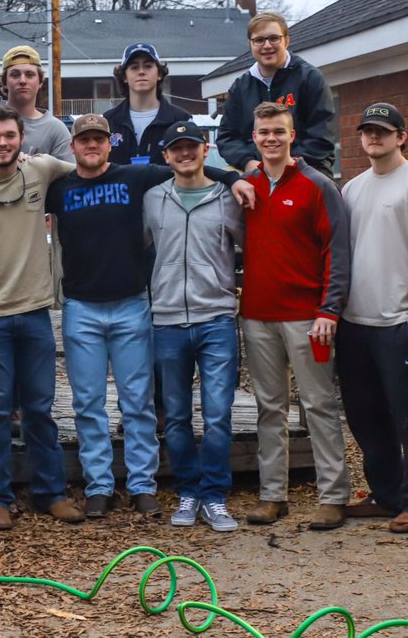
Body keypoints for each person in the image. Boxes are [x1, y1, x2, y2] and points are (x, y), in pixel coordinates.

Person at [46, 115, 250, 520]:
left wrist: (232, 178)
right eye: (84, 140)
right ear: (73, 147)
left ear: (110, 144)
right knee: (88, 403)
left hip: (131, 304)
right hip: (81, 307)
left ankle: (142, 484)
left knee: (138, 402)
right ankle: (99, 485)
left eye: (99, 139)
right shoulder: (59, 188)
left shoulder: (136, 178)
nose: (92, 145)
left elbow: (188, 165)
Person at [0, 104, 83, 530]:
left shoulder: (41, 170)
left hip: (35, 313)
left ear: (22, 139)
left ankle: (51, 493)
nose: (3, 143)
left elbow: (88, 167)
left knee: (40, 408)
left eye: (10, 135)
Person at [240, 101, 351, 530]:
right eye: (264, 132)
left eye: (278, 132)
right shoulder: (247, 187)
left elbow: (337, 252)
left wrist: (329, 309)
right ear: (254, 137)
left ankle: (333, 496)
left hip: (308, 319)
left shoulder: (317, 185)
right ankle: (273, 495)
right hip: (257, 316)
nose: (271, 138)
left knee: (318, 404)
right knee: (269, 408)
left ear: (292, 135)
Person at [338, 104, 408, 534]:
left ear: (401, 136)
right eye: (367, 130)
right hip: (354, 323)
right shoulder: (352, 189)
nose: (374, 137)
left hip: (399, 324)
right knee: (365, 415)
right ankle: (386, 494)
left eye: (383, 131)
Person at [144, 122, 245, 532]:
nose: (184, 154)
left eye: (191, 146)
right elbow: (137, 246)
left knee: (218, 413)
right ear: (166, 156)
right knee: (176, 415)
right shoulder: (153, 198)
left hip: (216, 319)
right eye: (176, 148)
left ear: (206, 150)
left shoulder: (228, 197)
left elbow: (250, 245)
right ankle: (188, 491)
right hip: (167, 321)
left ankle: (215, 496)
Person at [216, 13, 336, 178]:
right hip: (255, 168)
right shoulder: (240, 88)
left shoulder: (310, 78)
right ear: (250, 44)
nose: (267, 46)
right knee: (226, 183)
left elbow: (321, 136)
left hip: (305, 166)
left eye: (274, 38)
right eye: (259, 40)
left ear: (286, 41)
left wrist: (286, 165)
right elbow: (227, 137)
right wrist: (248, 162)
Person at [102, 43, 191, 166]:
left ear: (159, 74)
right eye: (134, 67)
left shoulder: (181, 120)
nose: (141, 72)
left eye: (148, 66)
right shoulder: (108, 122)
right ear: (124, 77)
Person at [0, 46, 73, 161]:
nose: (22, 81)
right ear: (5, 82)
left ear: (40, 82)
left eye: (29, 75)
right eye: (15, 75)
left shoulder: (55, 129)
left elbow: (70, 171)